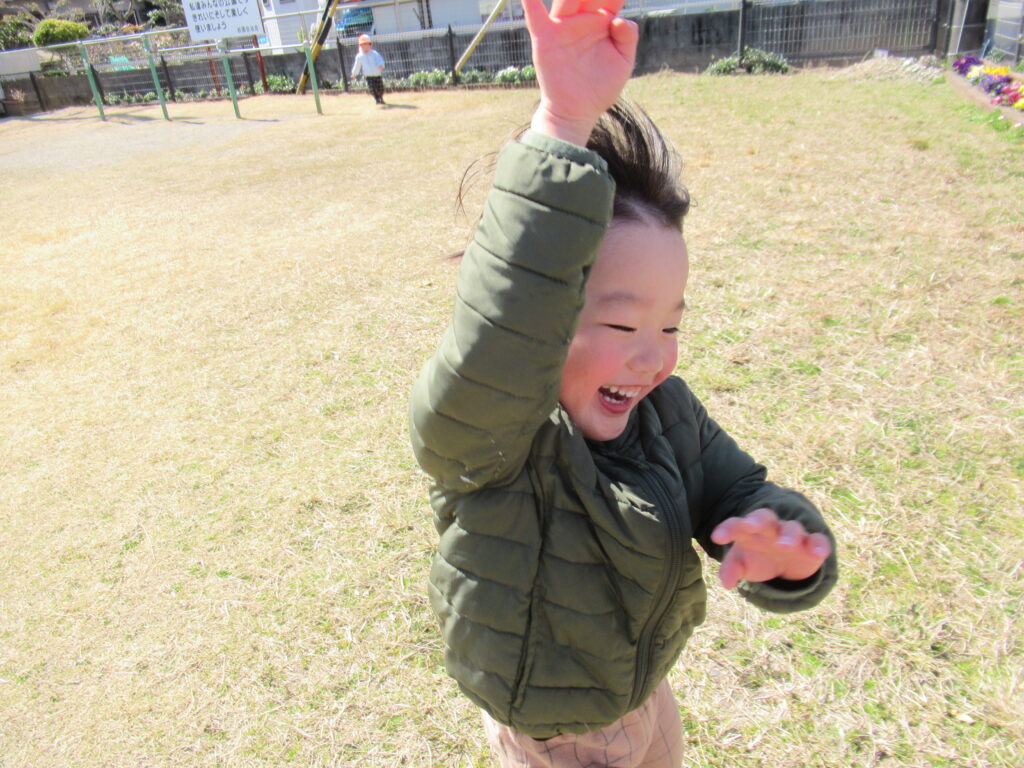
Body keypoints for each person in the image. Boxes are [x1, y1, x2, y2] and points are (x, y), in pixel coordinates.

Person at [408, 0, 839, 764]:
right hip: (557, 735)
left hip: (642, 691)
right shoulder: (494, 440)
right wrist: (563, 122)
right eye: (621, 324)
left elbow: (739, 491)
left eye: (669, 327)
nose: (652, 359)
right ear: (544, 324)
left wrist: (788, 546)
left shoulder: (665, 412)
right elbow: (506, 321)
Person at [351, 33, 386, 105]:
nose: (365, 48)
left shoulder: (374, 54)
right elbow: (357, 66)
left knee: (380, 88)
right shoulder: (360, 56)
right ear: (360, 46)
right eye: (363, 46)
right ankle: (377, 99)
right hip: (368, 76)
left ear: (370, 45)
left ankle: (381, 97)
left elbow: (380, 60)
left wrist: (381, 65)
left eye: (367, 46)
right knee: (372, 88)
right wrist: (354, 73)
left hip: (377, 75)